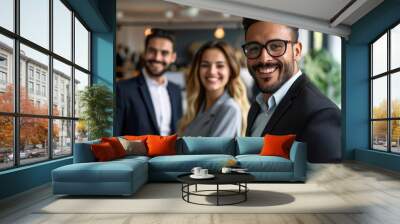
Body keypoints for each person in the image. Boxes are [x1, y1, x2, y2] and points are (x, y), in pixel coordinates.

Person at [242, 18, 341, 163]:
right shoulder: (257, 106)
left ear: (297, 51)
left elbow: (324, 184)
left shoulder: (322, 115)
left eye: (275, 46)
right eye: (254, 48)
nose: (264, 59)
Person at [116, 28, 183, 136]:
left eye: (164, 53)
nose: (157, 57)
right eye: (152, 51)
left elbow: (178, 131)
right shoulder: (122, 89)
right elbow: (116, 135)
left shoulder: (175, 90)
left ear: (173, 57)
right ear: (145, 52)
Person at [178, 41, 250, 137]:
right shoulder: (197, 107)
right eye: (205, 65)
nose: (212, 71)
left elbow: (214, 152)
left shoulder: (229, 109)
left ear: (230, 71)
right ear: (197, 70)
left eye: (220, 65)